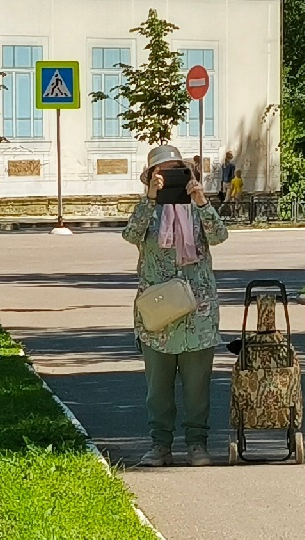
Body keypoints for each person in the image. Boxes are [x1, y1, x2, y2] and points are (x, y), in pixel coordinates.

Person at [121, 143, 230, 467]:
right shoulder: (148, 211)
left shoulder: (197, 208)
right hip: (159, 314)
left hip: (198, 313)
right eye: (161, 173)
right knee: (158, 389)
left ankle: (197, 445)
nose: (169, 178)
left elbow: (219, 236)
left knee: (197, 387)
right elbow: (131, 235)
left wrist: (202, 201)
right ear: (150, 177)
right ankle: (160, 445)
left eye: (175, 172)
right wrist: (151, 199)